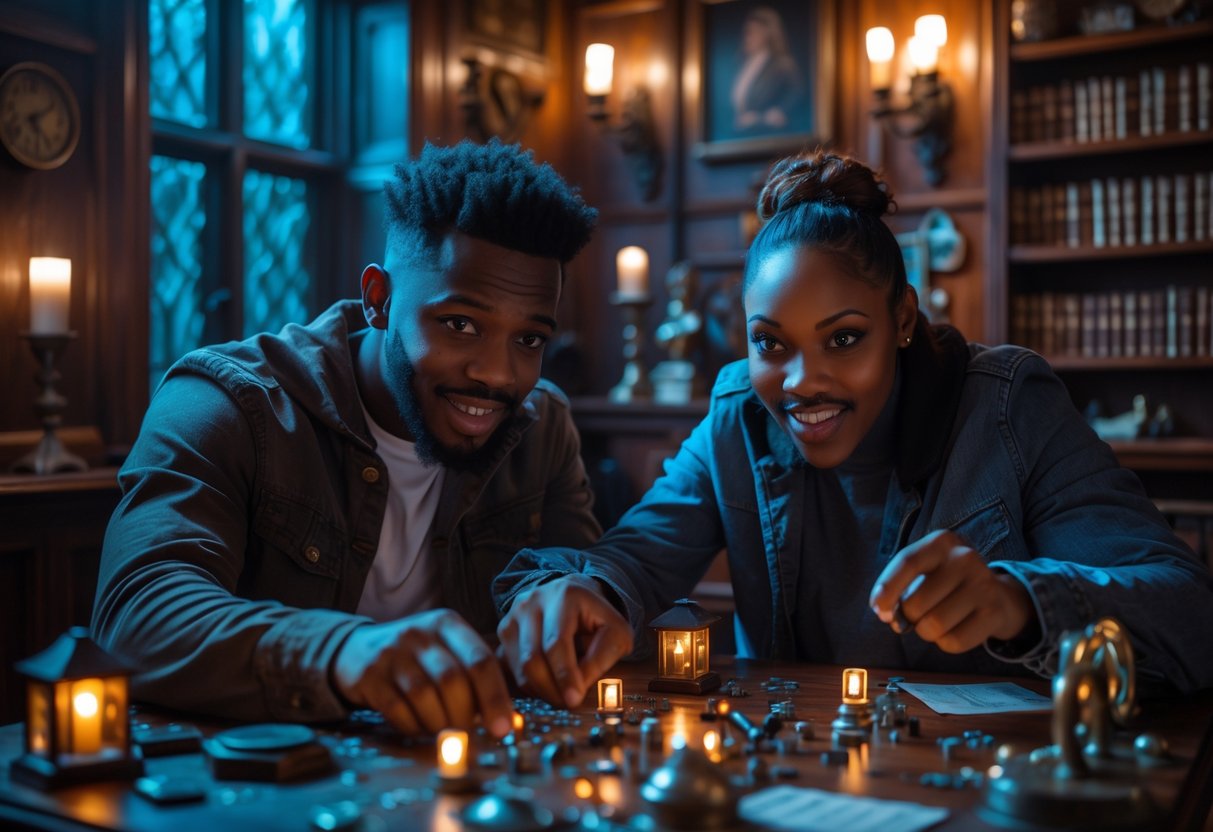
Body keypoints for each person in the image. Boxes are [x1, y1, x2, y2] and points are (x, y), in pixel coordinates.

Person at [493, 149, 1213, 710]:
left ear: (903, 320)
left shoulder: (1006, 405)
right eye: (770, 343)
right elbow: (634, 557)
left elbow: (1189, 613)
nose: (800, 380)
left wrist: (1016, 601)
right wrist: (583, 596)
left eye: (842, 340)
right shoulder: (737, 414)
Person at [92, 139, 601, 739]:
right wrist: (343, 653)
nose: (496, 374)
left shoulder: (541, 427)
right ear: (378, 299)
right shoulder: (226, 403)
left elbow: (579, 582)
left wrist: (575, 602)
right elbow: (135, 616)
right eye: (461, 325)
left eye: (529, 341)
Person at [731, 6, 801, 134]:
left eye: (754, 32)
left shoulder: (782, 64)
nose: (748, 38)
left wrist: (761, 118)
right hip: (740, 136)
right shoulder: (740, 64)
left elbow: (796, 96)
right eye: (747, 32)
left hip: (768, 136)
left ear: (768, 34)